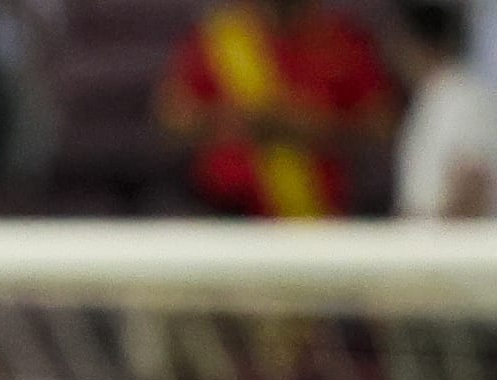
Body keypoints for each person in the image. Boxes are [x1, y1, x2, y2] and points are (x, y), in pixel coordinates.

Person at [158, 0, 394, 217]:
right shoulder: (221, 38)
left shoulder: (343, 40)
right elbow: (172, 123)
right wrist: (238, 121)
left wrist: (318, 125)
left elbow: (382, 128)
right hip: (224, 216)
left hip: (326, 217)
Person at [392, 0, 497, 219]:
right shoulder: (430, 97)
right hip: (428, 242)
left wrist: (434, 241)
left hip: (452, 247)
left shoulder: (461, 97)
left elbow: (474, 184)